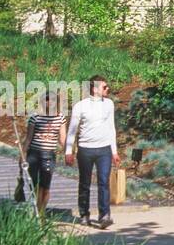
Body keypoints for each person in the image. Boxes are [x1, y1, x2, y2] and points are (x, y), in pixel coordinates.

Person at [65, 76, 119, 229]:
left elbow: (111, 128)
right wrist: (68, 151)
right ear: (94, 89)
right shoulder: (80, 106)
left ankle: (104, 215)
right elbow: (72, 130)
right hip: (85, 149)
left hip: (104, 149)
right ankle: (84, 214)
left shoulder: (109, 104)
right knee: (85, 183)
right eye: (104, 87)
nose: (107, 89)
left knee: (104, 182)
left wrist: (114, 151)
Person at [21, 92, 66, 217]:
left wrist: (68, 151)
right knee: (34, 185)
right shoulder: (35, 117)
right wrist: (23, 155)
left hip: (49, 154)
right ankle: (35, 211)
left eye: (51, 100)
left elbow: (62, 138)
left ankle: (41, 212)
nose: (48, 102)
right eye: (46, 100)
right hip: (34, 154)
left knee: (45, 186)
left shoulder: (60, 118)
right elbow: (29, 138)